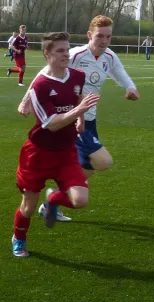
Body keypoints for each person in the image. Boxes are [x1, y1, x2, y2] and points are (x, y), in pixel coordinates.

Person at [19, 15, 140, 222]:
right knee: (103, 161)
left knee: (90, 164)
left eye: (108, 36)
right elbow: (44, 74)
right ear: (89, 35)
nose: (104, 41)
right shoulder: (75, 54)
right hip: (72, 120)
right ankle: (55, 197)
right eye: (100, 36)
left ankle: (54, 200)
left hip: (89, 119)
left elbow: (120, 72)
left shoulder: (109, 56)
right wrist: (26, 100)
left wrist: (130, 87)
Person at [12, 32, 100, 257]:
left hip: (65, 152)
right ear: (47, 54)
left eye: (67, 49)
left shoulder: (78, 76)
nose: (66, 54)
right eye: (60, 50)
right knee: (29, 208)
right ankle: (19, 237)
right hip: (38, 154)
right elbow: (51, 124)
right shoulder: (39, 86)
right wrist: (79, 112)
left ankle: (52, 199)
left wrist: (80, 118)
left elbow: (77, 97)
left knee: (80, 200)